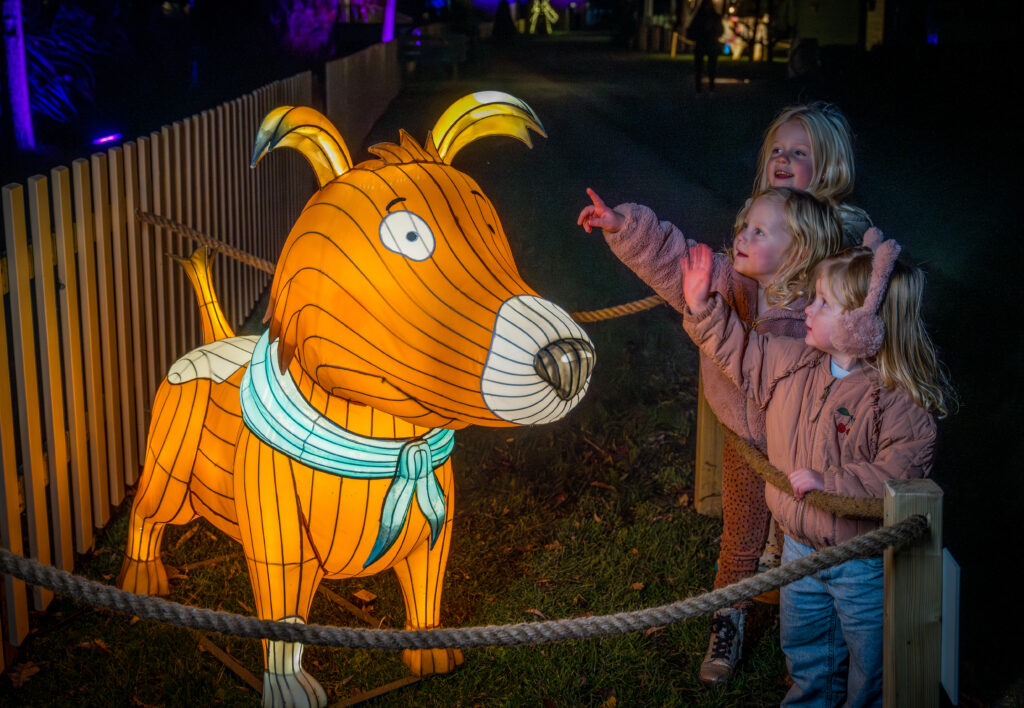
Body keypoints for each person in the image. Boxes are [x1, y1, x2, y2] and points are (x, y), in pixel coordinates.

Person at [579, 186, 844, 685]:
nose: (741, 236)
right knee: (740, 539)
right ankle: (728, 621)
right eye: (744, 225)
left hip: (797, 453)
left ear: (799, 251)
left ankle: (809, 638)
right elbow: (673, 257)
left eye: (758, 232)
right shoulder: (730, 280)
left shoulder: (815, 313)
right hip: (745, 446)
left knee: (802, 543)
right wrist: (624, 225)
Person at [680, 238, 952, 706]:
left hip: (861, 562)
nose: (809, 306)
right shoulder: (792, 362)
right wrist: (703, 308)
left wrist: (832, 484)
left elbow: (901, 470)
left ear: (864, 323)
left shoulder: (895, 399)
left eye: (824, 302)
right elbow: (740, 351)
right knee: (805, 650)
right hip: (798, 551)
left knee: (871, 663)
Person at [751, 102, 873, 246]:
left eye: (798, 152)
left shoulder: (846, 220)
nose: (782, 158)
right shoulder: (756, 210)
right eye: (777, 150)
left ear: (826, 168)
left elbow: (828, 248)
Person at [686, 0, 724, 92]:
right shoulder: (700, 17)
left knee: (711, 66)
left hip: (709, 43)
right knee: (700, 67)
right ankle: (700, 86)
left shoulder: (712, 17)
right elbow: (691, 31)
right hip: (703, 43)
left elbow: (720, 30)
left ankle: (710, 85)